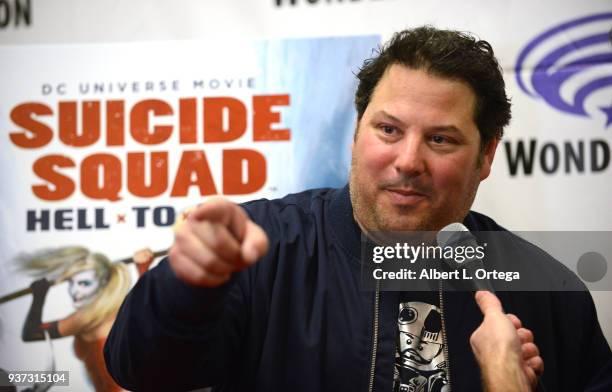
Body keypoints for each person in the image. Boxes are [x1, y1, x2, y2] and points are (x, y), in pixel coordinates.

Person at [104, 26, 611, 391]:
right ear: (356, 132)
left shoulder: (549, 291)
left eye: (440, 138)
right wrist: (186, 289)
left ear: (486, 156)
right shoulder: (261, 248)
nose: (408, 161)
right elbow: (141, 370)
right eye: (388, 130)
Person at [21, 247, 154, 392]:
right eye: (71, 283)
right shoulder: (113, 310)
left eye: (84, 283)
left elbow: (32, 332)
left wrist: (39, 297)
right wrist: (143, 269)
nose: (74, 291)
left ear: (103, 283)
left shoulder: (86, 319)